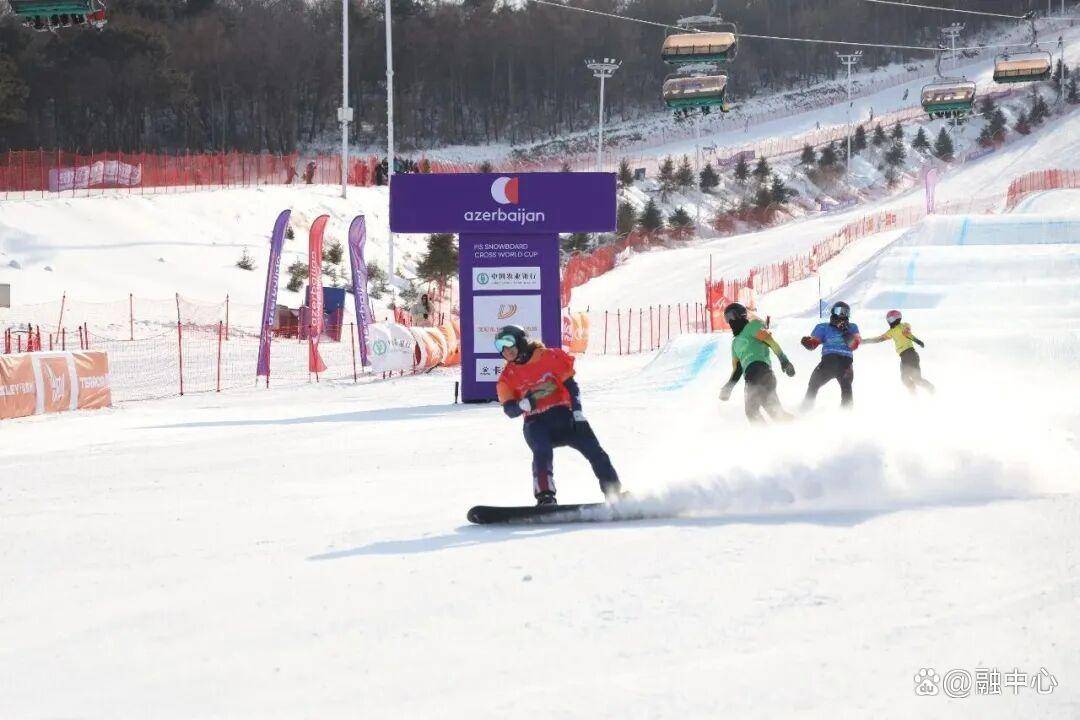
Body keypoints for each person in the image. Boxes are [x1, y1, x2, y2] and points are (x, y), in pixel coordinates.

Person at [494, 325, 622, 506]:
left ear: (521, 341)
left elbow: (572, 387)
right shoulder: (507, 377)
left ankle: (614, 494)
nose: (505, 350)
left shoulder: (549, 357)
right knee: (542, 452)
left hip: (563, 416)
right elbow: (509, 410)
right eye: (499, 346)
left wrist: (577, 413)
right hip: (536, 422)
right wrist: (525, 404)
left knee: (594, 450)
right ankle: (545, 497)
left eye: (508, 343)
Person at [718, 303, 796, 423]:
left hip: (761, 371)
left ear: (740, 315)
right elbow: (738, 369)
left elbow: (771, 342)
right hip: (751, 377)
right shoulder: (735, 344)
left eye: (731, 316)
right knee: (775, 415)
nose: (730, 321)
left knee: (752, 412)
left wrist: (784, 361)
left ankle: (768, 432)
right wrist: (729, 387)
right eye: (727, 318)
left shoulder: (752, 327)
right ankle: (797, 425)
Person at [799, 301, 861, 410]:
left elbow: (854, 345)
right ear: (833, 312)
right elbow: (814, 344)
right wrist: (808, 343)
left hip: (845, 363)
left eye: (845, 312)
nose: (842, 315)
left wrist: (845, 331)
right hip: (829, 361)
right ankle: (805, 409)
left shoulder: (852, 327)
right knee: (814, 383)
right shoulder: (824, 327)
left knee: (846, 387)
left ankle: (847, 413)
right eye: (839, 311)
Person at [862, 310, 935, 393]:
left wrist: (917, 341)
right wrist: (864, 341)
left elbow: (907, 334)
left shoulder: (903, 326)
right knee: (904, 379)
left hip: (911, 354)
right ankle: (913, 395)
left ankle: (932, 389)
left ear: (897, 318)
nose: (890, 321)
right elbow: (878, 339)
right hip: (903, 357)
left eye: (891, 319)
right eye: (888, 320)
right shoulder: (891, 331)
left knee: (916, 379)